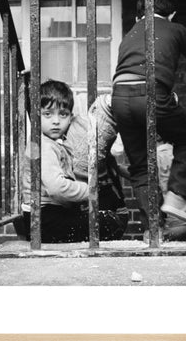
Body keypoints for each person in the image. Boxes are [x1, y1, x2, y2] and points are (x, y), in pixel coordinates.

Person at [111, 0, 186, 233]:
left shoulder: (130, 33)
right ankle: (177, 196)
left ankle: (153, 229)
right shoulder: (175, 29)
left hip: (119, 98)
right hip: (150, 94)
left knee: (140, 166)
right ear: (171, 14)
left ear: (137, 16)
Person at [21, 80, 124, 243]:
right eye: (47, 114)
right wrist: (90, 191)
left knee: (101, 218)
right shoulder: (43, 146)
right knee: (107, 224)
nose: (56, 121)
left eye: (63, 114)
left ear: (70, 116)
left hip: (46, 215)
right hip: (43, 219)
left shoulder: (54, 142)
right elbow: (56, 188)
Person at [65, 94, 129, 235]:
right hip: (103, 208)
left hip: (109, 206)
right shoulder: (68, 145)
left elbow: (112, 164)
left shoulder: (99, 153)